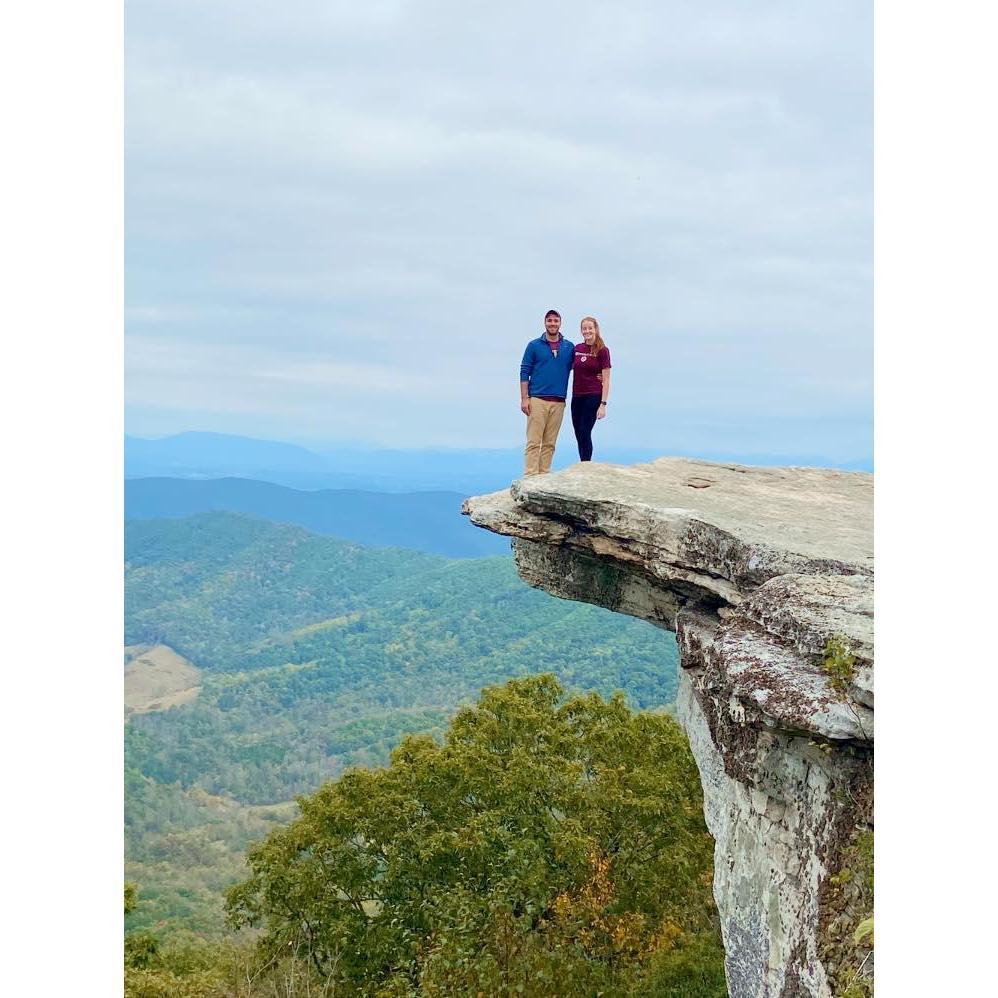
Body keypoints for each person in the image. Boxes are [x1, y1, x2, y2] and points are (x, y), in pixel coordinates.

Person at [519, 310, 575, 476]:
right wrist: (524, 398)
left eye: (555, 320)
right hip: (537, 399)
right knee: (534, 442)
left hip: (558, 401)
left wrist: (599, 373)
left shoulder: (568, 347)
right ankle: (530, 477)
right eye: (549, 321)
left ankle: (543, 476)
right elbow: (524, 372)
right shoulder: (534, 345)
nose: (552, 323)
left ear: (560, 323)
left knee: (550, 443)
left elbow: (580, 366)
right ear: (545, 323)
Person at [570, 316, 611, 461]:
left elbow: (606, 380)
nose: (587, 331)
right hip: (577, 395)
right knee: (578, 432)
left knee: (585, 430)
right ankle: (583, 462)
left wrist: (603, 404)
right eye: (584, 328)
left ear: (596, 329)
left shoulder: (602, 351)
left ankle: (586, 464)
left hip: (593, 395)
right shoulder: (577, 349)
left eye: (590, 328)